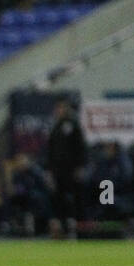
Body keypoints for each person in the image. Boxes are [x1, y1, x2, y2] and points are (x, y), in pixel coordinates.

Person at [46, 99, 86, 239]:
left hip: (71, 170)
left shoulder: (73, 125)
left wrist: (80, 166)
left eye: (60, 108)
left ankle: (81, 229)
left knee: (77, 199)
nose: (57, 111)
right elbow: (51, 150)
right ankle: (62, 229)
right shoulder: (56, 127)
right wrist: (50, 170)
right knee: (59, 200)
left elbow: (80, 147)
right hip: (58, 171)